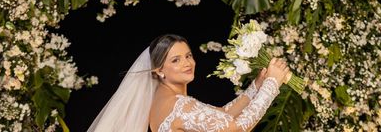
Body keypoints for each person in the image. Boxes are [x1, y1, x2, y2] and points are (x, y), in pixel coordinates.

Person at [86, 33, 290, 132]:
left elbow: (224, 115)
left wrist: (258, 84)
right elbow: (235, 129)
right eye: (176, 60)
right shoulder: (178, 104)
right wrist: (272, 85)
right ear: (160, 70)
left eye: (188, 56)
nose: (187, 63)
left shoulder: (163, 99)